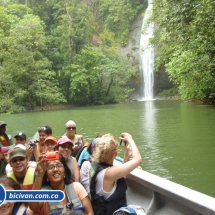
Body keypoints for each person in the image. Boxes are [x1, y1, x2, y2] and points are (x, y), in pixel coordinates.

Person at [89, 133, 142, 215]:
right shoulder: (107, 173)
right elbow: (138, 160)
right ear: (115, 153)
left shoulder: (97, 166)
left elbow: (119, 178)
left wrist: (126, 157)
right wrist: (130, 139)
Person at [28, 152, 94, 215]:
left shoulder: (77, 187)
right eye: (51, 167)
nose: (55, 169)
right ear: (46, 176)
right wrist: (40, 174)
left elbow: (90, 212)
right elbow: (33, 207)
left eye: (59, 166)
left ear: (65, 171)